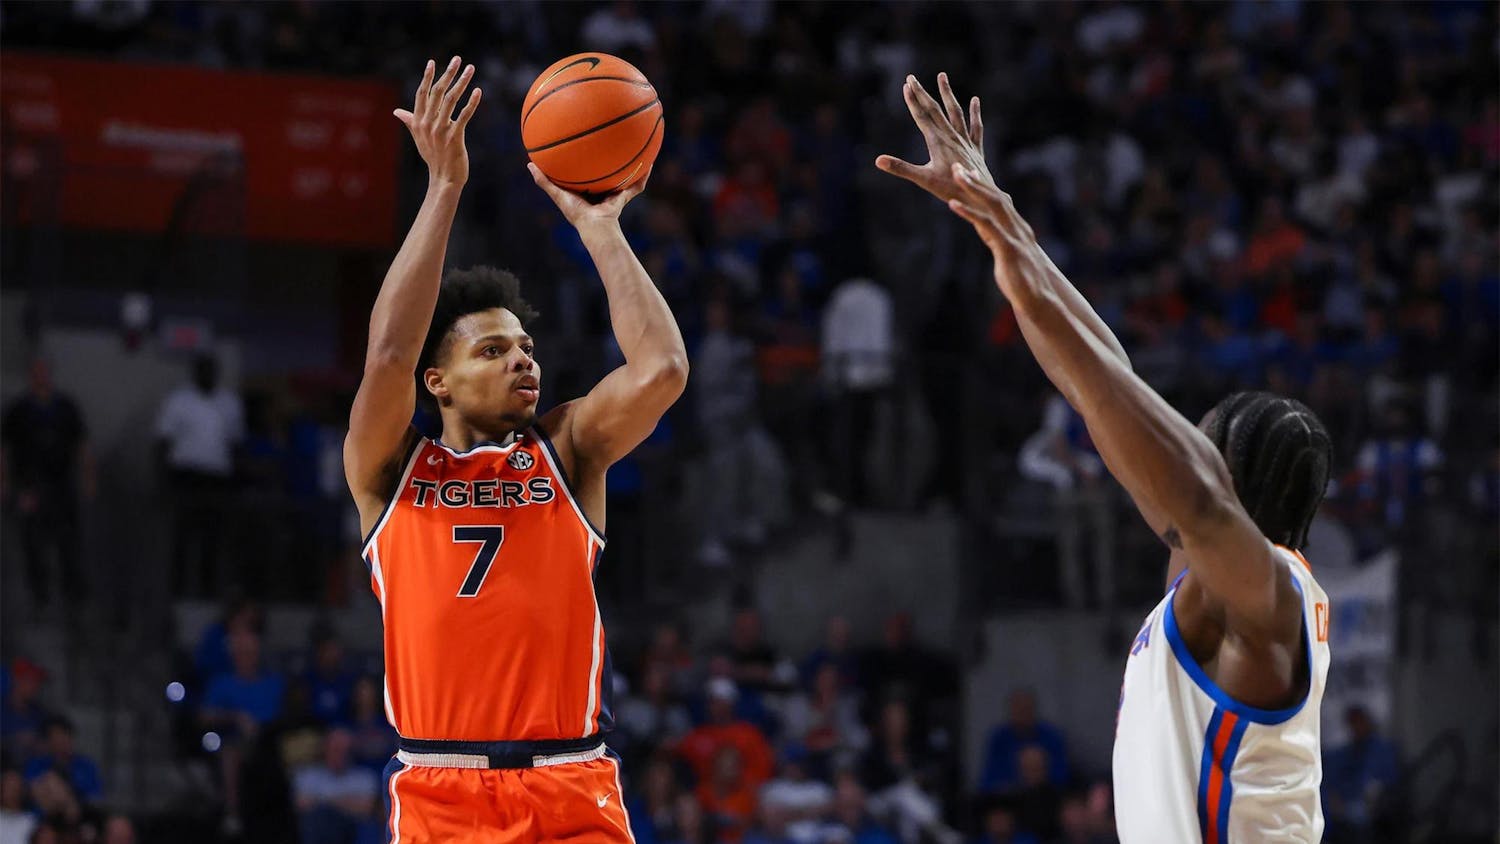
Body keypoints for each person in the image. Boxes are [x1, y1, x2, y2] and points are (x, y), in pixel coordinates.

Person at [879, 73, 1332, 842]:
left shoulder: (1268, 596)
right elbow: (1102, 384)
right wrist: (1000, 223)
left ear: (1225, 477)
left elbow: (1178, 474)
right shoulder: (1210, 577)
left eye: (1198, 437)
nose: (1177, 441)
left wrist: (1015, 245)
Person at [344, 57, 686, 841]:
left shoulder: (569, 448)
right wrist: (443, 188)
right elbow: (388, 356)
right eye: (493, 351)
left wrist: (600, 229)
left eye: (527, 346)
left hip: (574, 787)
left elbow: (662, 370)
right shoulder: (391, 469)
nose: (523, 359)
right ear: (440, 382)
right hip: (441, 791)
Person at [1, 358, 94, 609]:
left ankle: (72, 594)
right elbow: (5, 450)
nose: (40, 377)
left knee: (68, 541)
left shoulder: (66, 407)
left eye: (44, 372)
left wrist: (88, 479)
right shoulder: (18, 409)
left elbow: (82, 445)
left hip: (61, 484)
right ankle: (39, 595)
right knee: (32, 541)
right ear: (31, 376)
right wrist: (5, 483)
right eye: (36, 373)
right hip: (30, 484)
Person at [155, 352, 245, 597]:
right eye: (203, 370)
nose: (208, 375)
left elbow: (236, 446)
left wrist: (236, 483)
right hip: (186, 476)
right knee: (183, 536)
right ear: (195, 373)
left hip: (216, 479)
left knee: (212, 537)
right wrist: (162, 483)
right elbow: (162, 443)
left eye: (212, 370)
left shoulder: (229, 402)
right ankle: (177, 589)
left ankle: (208, 591)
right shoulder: (179, 400)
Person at [1322, 706, 1399, 843]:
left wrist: (1373, 796)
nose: (1356, 728)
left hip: (1372, 809)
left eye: (1359, 722)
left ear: (1367, 722)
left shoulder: (1383, 749)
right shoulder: (1345, 751)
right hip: (1345, 806)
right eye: (1353, 723)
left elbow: (1383, 782)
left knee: (1357, 815)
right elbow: (1334, 781)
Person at [292, 728, 379, 844]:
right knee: (318, 818)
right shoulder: (307, 775)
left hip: (351, 829)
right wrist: (346, 801)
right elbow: (301, 804)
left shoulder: (364, 777)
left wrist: (323, 800)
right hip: (318, 829)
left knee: (367, 827)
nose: (340, 754)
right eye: (335, 750)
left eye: (345, 750)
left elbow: (366, 808)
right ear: (325, 750)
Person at [977, 690, 1070, 794]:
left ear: (1033, 710)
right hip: (1009, 797)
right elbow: (988, 780)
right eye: (1018, 709)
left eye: (1026, 709)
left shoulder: (1052, 735)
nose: (1022, 713)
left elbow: (1062, 775)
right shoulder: (999, 738)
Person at [22, 718, 103, 805]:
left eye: (66, 735)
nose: (63, 740)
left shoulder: (86, 766)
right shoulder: (37, 765)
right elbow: (30, 791)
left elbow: (96, 796)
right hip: (44, 814)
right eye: (57, 736)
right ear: (48, 741)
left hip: (81, 812)